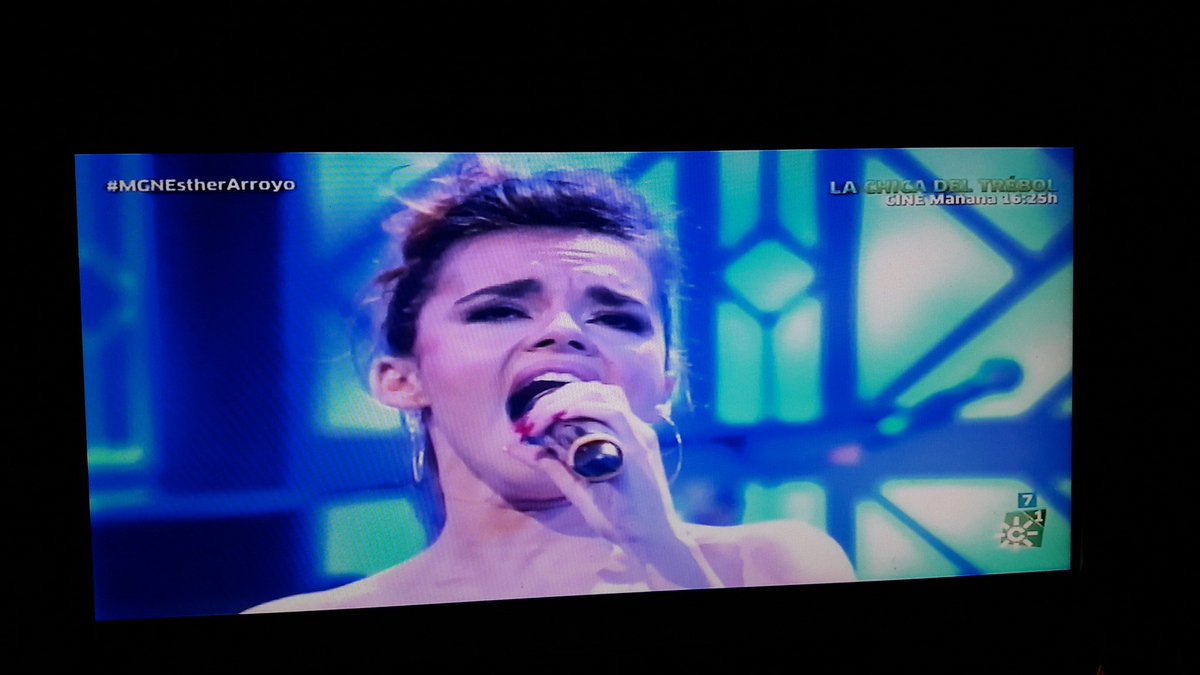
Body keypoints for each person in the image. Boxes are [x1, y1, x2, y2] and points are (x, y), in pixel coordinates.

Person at [246, 154, 853, 613]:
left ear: (666, 382)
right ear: (401, 380)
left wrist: (658, 552)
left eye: (617, 318)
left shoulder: (767, 566)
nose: (564, 331)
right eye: (500, 310)